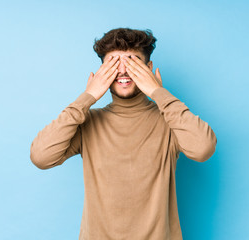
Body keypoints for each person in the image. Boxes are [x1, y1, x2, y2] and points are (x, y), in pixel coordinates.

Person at [30, 28, 217, 240]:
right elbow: (41, 157)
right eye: (113, 64)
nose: (123, 71)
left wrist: (158, 92)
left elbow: (204, 148)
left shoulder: (170, 121)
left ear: (149, 68)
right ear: (101, 72)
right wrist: (88, 96)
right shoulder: (88, 122)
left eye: (132, 62)